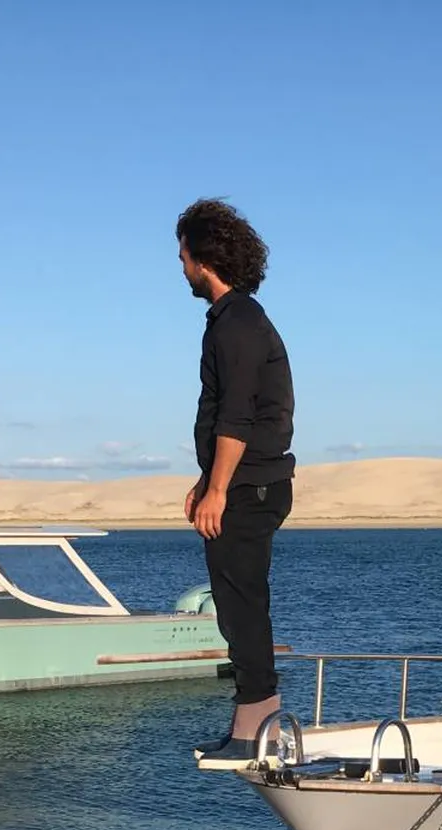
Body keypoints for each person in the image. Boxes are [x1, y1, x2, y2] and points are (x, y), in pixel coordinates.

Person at [177, 198, 296, 766]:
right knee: (235, 603)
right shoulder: (235, 321)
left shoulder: (240, 324)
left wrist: (219, 489)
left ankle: (259, 725)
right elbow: (229, 413)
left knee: (242, 604)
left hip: (250, 487)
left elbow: (238, 416)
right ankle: (252, 721)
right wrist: (206, 482)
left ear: (204, 258)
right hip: (241, 483)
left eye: (182, 255)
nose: (180, 266)